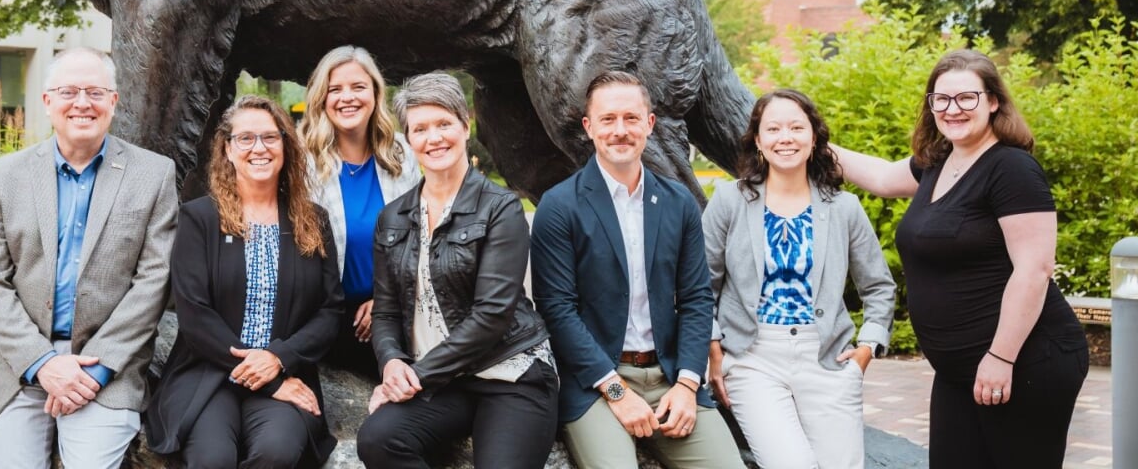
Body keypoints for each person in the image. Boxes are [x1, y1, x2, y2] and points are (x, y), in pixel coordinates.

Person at [832, 49, 1088, 468]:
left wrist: (1001, 358)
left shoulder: (1011, 168)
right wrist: (805, 137)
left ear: (992, 102)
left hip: (1024, 361)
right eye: (941, 99)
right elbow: (878, 177)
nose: (953, 109)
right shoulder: (939, 162)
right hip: (959, 370)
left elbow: (1035, 269)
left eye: (966, 98)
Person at [0, 47, 179, 469]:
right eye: (69, 91)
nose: (82, 103)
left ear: (114, 102)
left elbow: (154, 281)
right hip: (21, 366)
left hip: (108, 368)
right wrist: (41, 364)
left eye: (95, 92)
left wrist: (93, 372)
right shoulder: (3, 176)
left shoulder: (154, 174)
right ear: (47, 101)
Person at [529, 70, 743, 469]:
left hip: (669, 375)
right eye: (608, 120)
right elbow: (557, 310)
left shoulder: (679, 202)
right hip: (595, 381)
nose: (620, 130)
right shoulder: (559, 207)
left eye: (630, 118)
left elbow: (697, 299)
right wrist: (615, 391)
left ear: (649, 124)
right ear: (589, 128)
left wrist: (686, 383)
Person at [355, 73, 558, 469]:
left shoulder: (500, 208)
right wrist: (392, 363)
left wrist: (414, 378)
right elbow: (386, 311)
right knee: (379, 440)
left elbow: (492, 317)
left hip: (510, 374)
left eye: (444, 124)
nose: (434, 139)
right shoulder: (392, 218)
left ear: (465, 125)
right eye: (420, 129)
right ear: (408, 138)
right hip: (444, 383)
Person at [146, 95, 345, 468]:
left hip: (284, 370)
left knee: (278, 451)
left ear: (286, 145)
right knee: (212, 458)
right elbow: (194, 314)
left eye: (271, 137)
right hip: (208, 373)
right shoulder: (200, 219)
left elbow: (330, 309)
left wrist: (279, 359)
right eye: (246, 138)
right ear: (227, 149)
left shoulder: (312, 221)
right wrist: (266, 378)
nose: (259, 148)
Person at [702, 89, 897, 469]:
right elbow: (699, 285)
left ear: (814, 138)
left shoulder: (843, 208)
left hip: (827, 358)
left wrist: (868, 348)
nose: (785, 138)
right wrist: (714, 353)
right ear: (758, 140)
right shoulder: (729, 201)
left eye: (796, 127)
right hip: (752, 359)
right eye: (773, 129)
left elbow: (878, 286)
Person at [297, 46, 420, 376]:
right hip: (326, 315)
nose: (346, 98)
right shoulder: (302, 159)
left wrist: (386, 300)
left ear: (376, 93)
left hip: (392, 308)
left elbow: (420, 238)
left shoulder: (402, 154)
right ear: (321, 98)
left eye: (358, 87)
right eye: (335, 89)